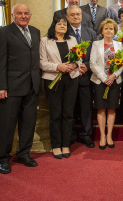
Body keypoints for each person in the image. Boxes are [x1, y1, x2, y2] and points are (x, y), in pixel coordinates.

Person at [0, 4, 41, 174]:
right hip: (11, 87)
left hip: (31, 85)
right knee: (7, 125)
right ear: (13, 15)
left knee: (28, 123)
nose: (23, 16)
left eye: (26, 13)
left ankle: (24, 154)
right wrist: (0, 86)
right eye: (19, 13)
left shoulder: (35, 32)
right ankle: (4, 159)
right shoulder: (3, 32)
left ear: (30, 15)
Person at [40, 15, 80, 159]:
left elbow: (79, 59)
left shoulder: (72, 40)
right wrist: (58, 66)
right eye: (59, 23)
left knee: (68, 114)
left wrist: (75, 65)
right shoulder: (45, 41)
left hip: (71, 79)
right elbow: (42, 62)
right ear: (54, 26)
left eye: (65, 23)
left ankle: (65, 144)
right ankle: (56, 145)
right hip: (53, 80)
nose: (62, 25)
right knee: (56, 114)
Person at [90, 19, 123, 150]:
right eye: (106, 28)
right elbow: (92, 63)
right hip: (100, 80)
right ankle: (102, 136)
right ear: (102, 30)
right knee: (101, 108)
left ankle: (109, 135)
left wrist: (114, 76)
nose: (109, 31)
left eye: (111, 29)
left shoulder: (119, 45)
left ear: (115, 31)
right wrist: (105, 78)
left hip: (114, 81)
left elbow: (122, 63)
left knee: (111, 108)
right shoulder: (96, 44)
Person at [66, 5, 97, 148]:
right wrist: (75, 66)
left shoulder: (90, 32)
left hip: (86, 76)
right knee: (70, 108)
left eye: (78, 14)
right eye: (72, 15)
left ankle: (86, 135)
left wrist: (87, 65)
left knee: (86, 108)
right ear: (67, 17)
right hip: (69, 76)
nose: (76, 17)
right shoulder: (63, 33)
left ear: (82, 16)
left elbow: (95, 53)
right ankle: (70, 135)